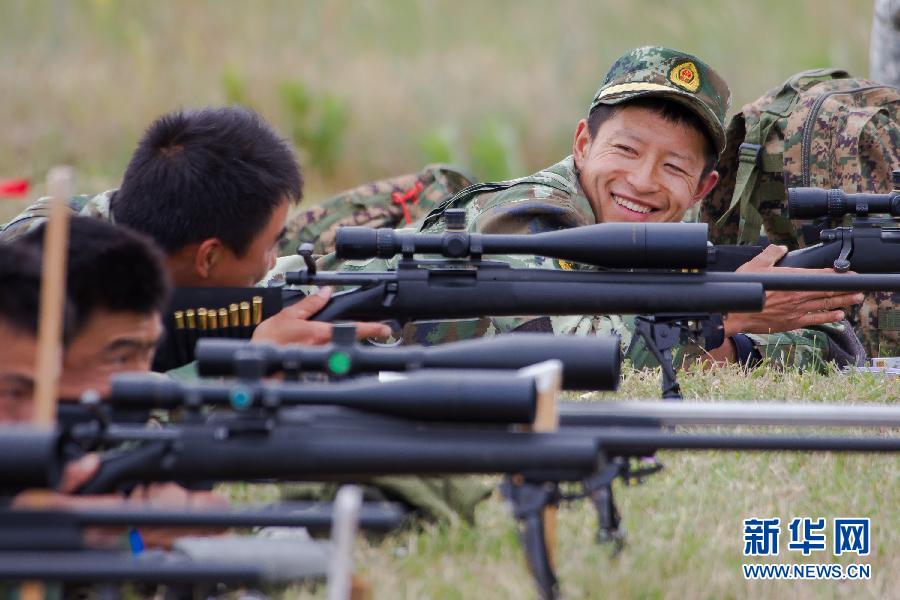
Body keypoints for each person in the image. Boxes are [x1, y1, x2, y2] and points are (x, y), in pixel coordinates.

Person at [402, 47, 865, 369]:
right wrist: (723, 317)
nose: (643, 181)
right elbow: (557, 349)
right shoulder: (523, 215)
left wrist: (732, 343)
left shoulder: (663, 245)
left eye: (673, 166)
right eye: (626, 150)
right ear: (583, 144)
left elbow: (837, 349)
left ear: (704, 187)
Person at [0, 106, 390, 353]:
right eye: (270, 245)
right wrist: (250, 361)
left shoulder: (142, 219)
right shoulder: (45, 287)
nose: (272, 260)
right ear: (208, 256)